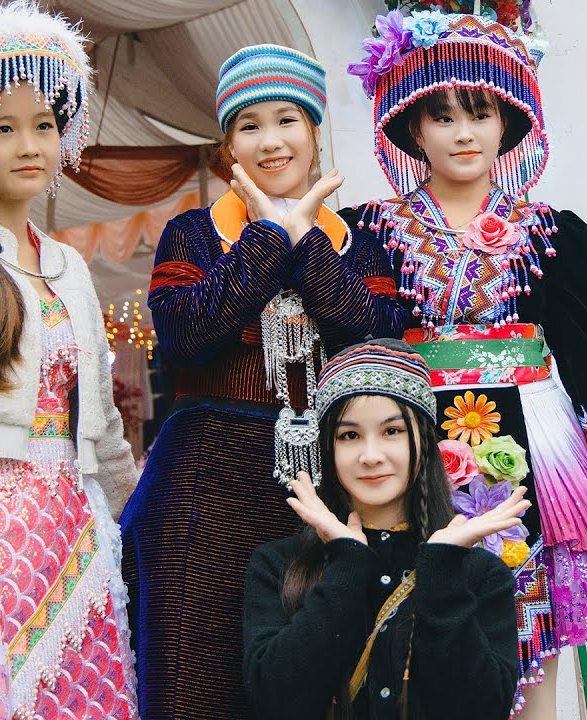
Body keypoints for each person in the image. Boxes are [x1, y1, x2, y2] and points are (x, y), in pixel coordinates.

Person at [119, 44, 404, 719]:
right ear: (227, 148)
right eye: (249, 125)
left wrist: (307, 241)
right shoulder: (191, 233)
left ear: (314, 133)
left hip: (320, 494)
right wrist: (267, 239)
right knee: (192, 688)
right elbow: (187, 335)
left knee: (303, 688)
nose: (270, 141)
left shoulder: (358, 244)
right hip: (200, 493)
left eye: (287, 121)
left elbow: (374, 337)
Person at [346, 10, 587, 716]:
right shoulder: (367, 228)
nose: (464, 132)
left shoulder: (556, 233)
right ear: (411, 125)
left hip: (531, 446)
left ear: (508, 122)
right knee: (414, 631)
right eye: (442, 114)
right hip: (411, 439)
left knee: (530, 633)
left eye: (481, 112)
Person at [0, 2, 139, 717]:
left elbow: (102, 424)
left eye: (44, 125)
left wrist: (128, 522)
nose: (30, 145)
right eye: (3, 127)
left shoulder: (70, 266)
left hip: (69, 523)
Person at [242, 338, 525, 719]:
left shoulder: (479, 574)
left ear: (423, 442)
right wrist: (346, 566)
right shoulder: (278, 565)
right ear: (328, 448)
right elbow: (274, 700)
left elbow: (483, 709)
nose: (371, 455)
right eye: (349, 435)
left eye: (392, 431)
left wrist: (441, 572)